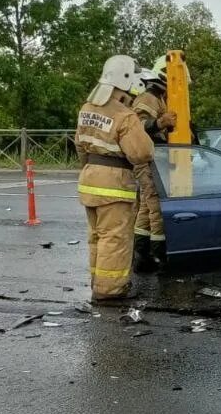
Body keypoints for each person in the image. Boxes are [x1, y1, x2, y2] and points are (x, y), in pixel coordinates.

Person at [75, 55, 154, 303]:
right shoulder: (124, 115)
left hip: (89, 180)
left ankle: (99, 283)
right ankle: (110, 291)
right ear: (126, 80)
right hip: (114, 185)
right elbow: (142, 153)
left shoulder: (87, 109)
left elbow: (80, 146)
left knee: (97, 237)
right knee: (115, 238)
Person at [131, 65, 178, 273]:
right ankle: (159, 256)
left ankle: (142, 255)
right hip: (149, 159)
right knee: (156, 206)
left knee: (147, 207)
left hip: (155, 159)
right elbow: (136, 127)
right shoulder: (148, 98)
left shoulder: (159, 99)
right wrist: (160, 123)